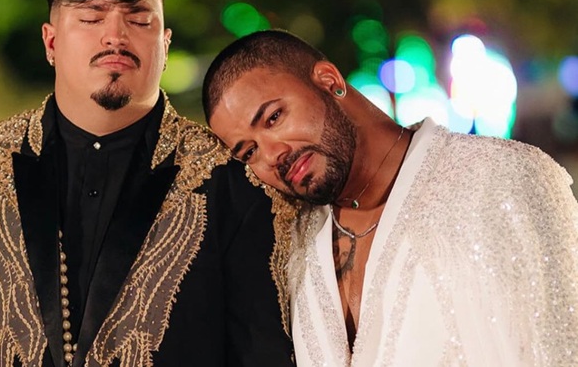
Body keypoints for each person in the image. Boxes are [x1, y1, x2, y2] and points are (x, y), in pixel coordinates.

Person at [0, 0, 294, 367]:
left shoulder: (234, 183)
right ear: (51, 42)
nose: (115, 36)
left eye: (138, 19)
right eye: (91, 17)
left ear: (165, 44)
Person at [202, 29, 578, 366]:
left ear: (329, 80)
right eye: (249, 151)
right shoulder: (295, 242)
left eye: (273, 118)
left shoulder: (500, 178)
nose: (272, 155)